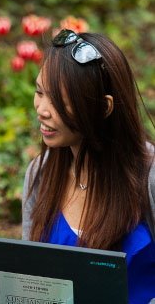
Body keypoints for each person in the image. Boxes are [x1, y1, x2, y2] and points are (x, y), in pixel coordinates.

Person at [23, 29, 155, 303]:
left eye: (58, 100)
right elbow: (28, 280)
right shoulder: (40, 173)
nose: (42, 109)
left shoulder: (149, 176)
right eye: (39, 92)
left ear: (104, 108)